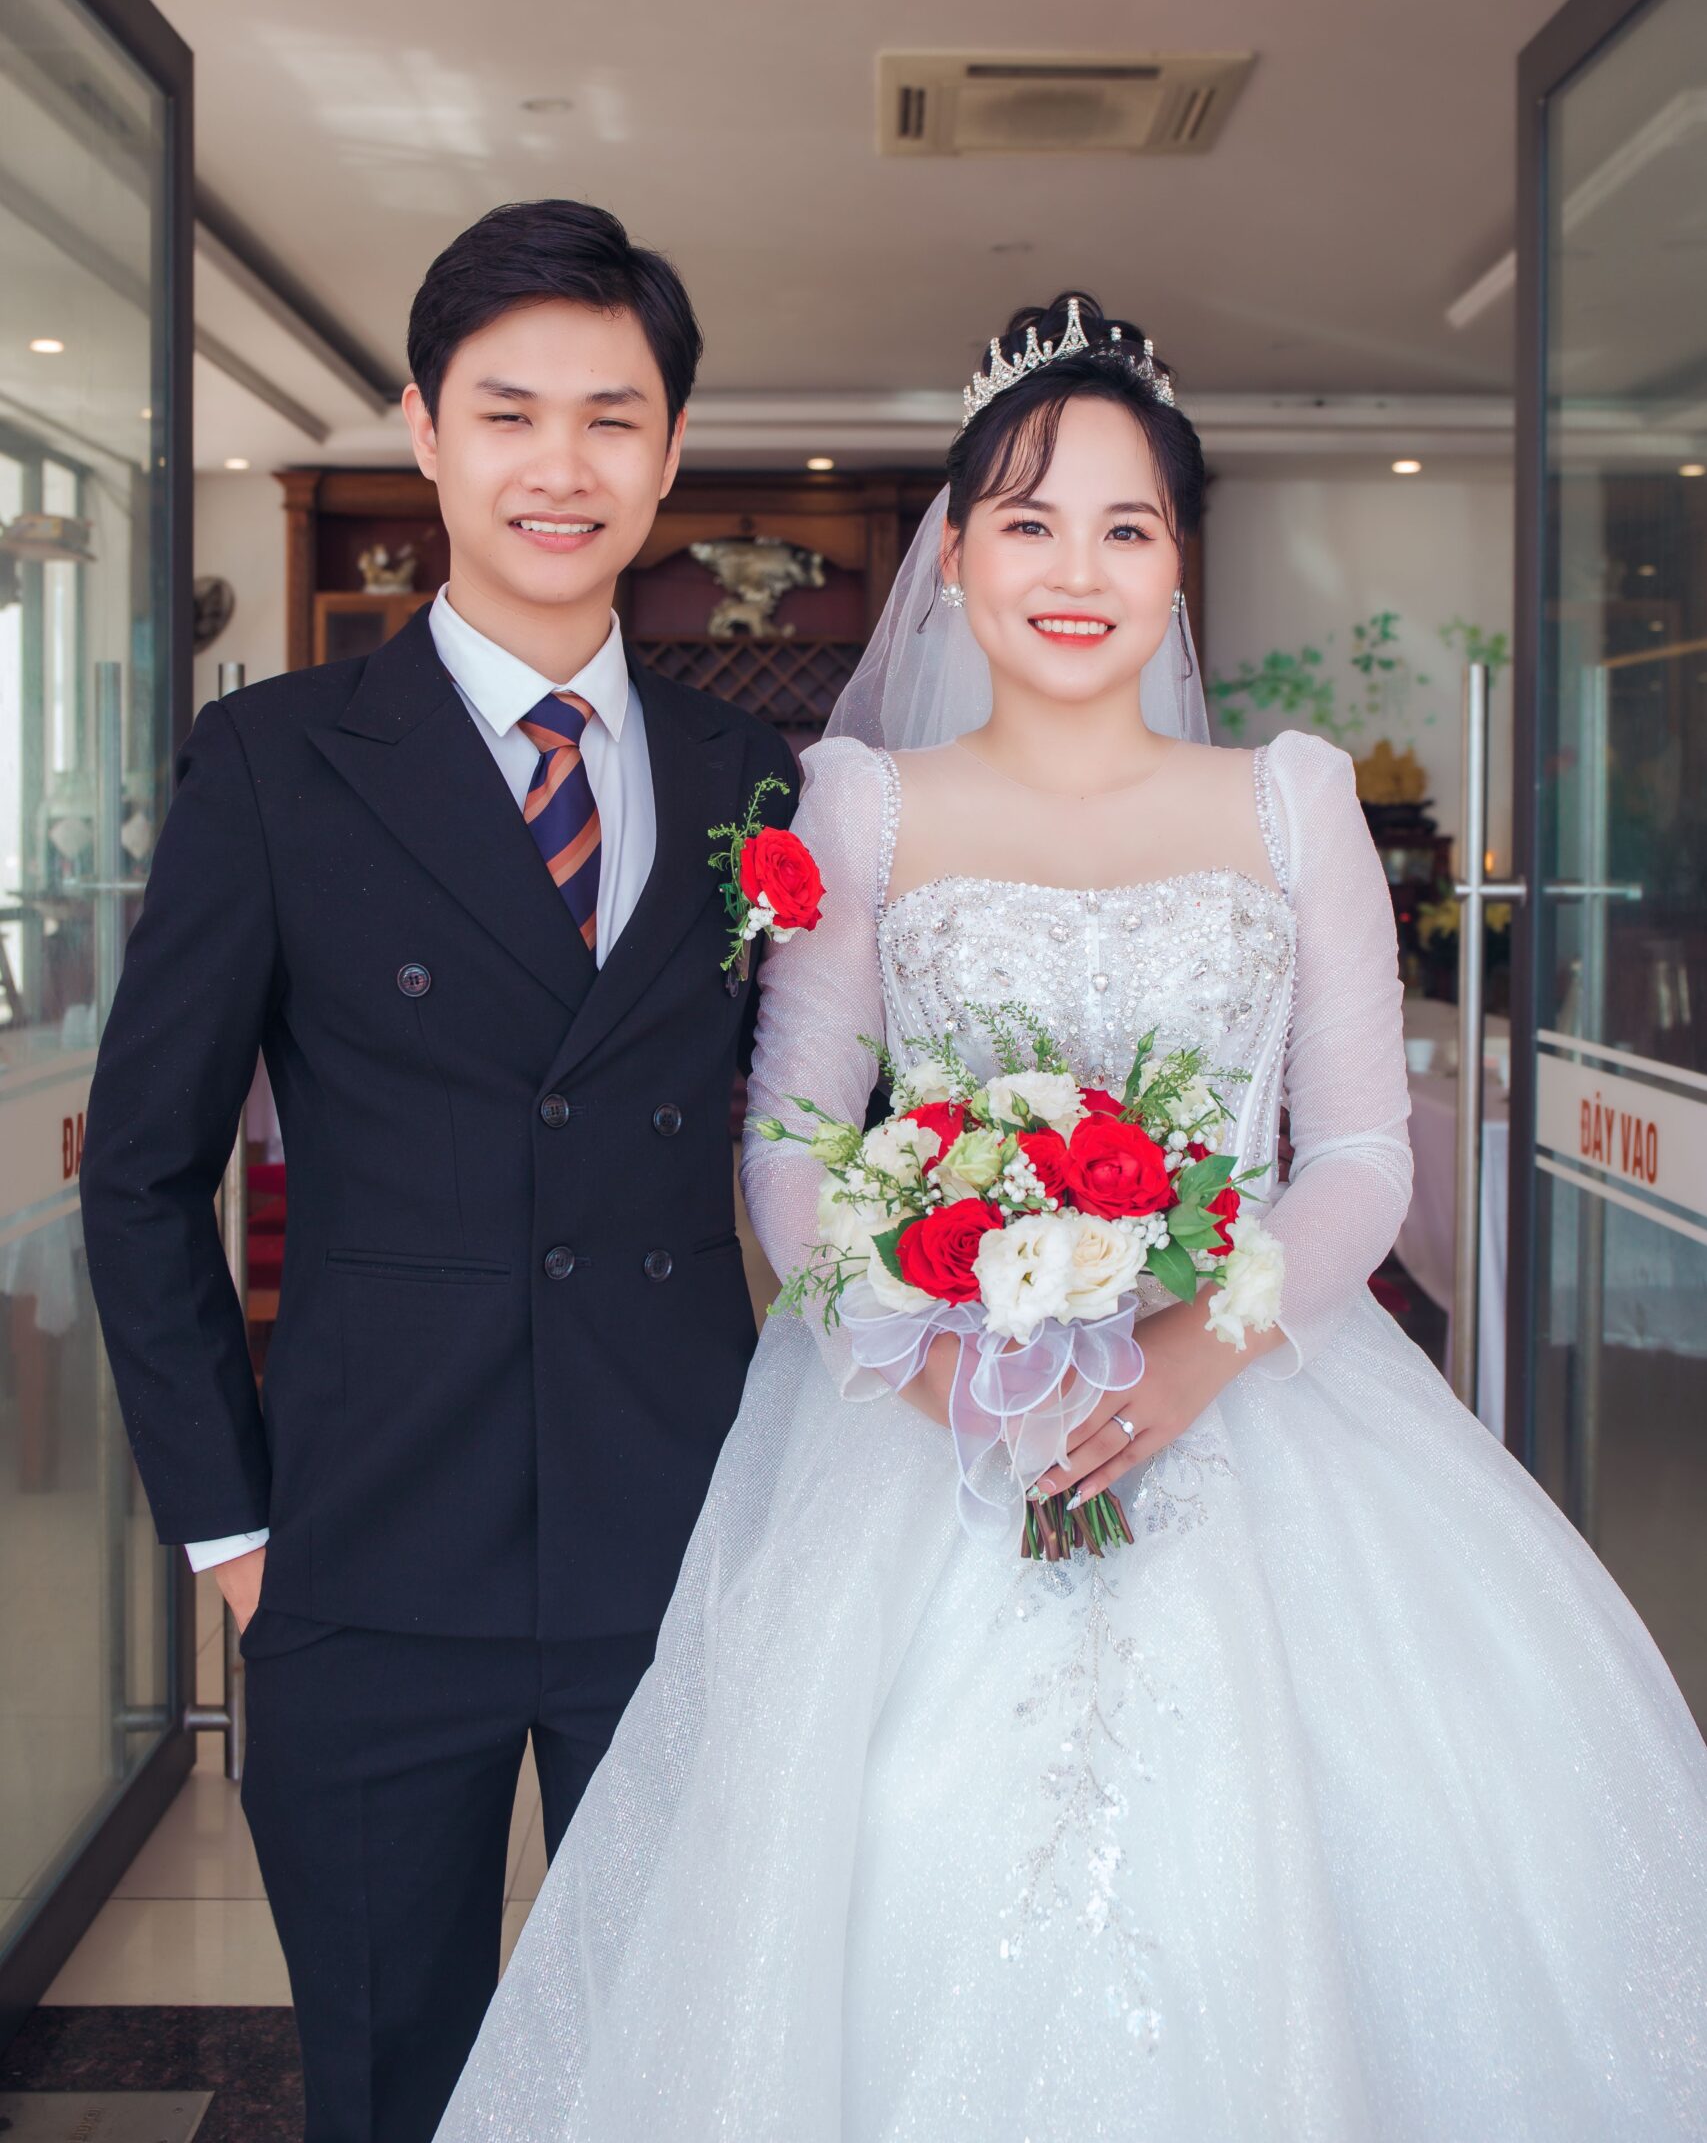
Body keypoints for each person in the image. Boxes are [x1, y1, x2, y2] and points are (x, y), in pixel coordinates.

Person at [437, 292, 1707, 2141]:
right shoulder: (861, 806)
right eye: (1029, 522)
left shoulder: (1292, 802)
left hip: (1266, 1408)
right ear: (955, 555)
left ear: (1179, 565)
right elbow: (790, 1143)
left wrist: (1194, 1357)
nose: (1077, 571)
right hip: (932, 1428)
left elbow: (1363, 1158)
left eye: (1128, 526)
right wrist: (944, 1373)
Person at [79, 199, 798, 2143]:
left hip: (680, 1532)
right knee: (393, 2077)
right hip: (366, 1547)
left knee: (682, 2071)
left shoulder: (750, 782)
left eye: (611, 417)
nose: (560, 465)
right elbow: (143, 1173)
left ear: (669, 450)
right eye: (508, 411)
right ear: (423, 426)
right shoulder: (276, 761)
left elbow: (832, 1135)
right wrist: (232, 1536)